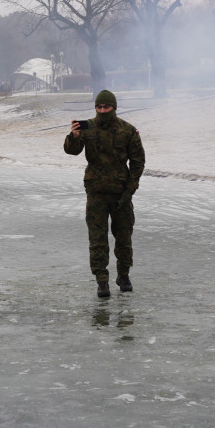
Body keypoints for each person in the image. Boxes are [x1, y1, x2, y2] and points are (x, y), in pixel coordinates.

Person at [64, 90, 146, 298]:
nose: (102, 111)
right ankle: (101, 280)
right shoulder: (87, 128)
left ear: (114, 107)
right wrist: (73, 137)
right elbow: (71, 151)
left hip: (120, 194)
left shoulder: (128, 130)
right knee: (97, 239)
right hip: (96, 192)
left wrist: (130, 189)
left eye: (106, 107)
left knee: (124, 237)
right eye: (99, 107)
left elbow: (138, 162)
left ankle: (124, 275)